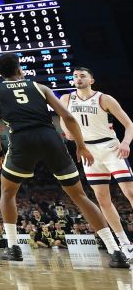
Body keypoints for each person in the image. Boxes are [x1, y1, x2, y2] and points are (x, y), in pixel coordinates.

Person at [0, 52, 128, 267]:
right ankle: (116, 251)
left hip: (22, 140)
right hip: (50, 138)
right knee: (80, 196)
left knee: (7, 193)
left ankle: (13, 247)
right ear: (20, 69)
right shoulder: (40, 88)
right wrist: (80, 145)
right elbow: (68, 117)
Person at [60, 67, 133, 257]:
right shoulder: (66, 99)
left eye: (82, 76)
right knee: (102, 199)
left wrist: (125, 142)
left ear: (91, 80)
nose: (78, 78)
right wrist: (65, 130)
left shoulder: (104, 98)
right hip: (88, 151)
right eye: (75, 76)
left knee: (130, 192)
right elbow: (62, 119)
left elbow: (129, 124)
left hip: (110, 148)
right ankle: (124, 243)